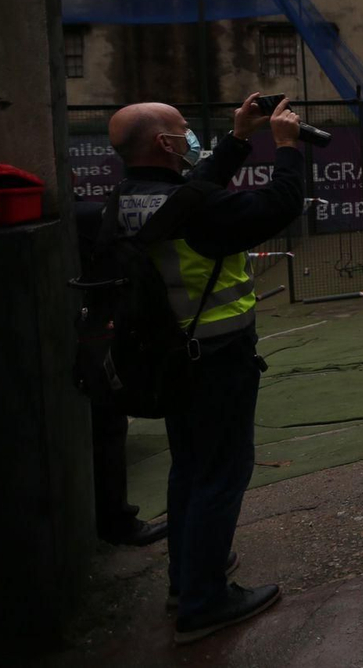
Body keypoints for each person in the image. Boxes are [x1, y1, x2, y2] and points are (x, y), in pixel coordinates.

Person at [106, 93, 304, 644]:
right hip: (216, 359)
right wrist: (286, 147)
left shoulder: (126, 198)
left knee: (190, 468)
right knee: (222, 473)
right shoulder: (199, 212)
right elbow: (279, 204)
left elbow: (193, 191)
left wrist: (240, 138)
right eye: (182, 129)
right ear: (165, 144)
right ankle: (205, 600)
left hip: (167, 360)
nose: (191, 134)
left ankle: (185, 578)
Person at [74, 196, 168, 548]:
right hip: (92, 332)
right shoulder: (87, 216)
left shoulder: (89, 214)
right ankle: (116, 521)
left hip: (89, 330)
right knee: (107, 421)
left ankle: (114, 518)